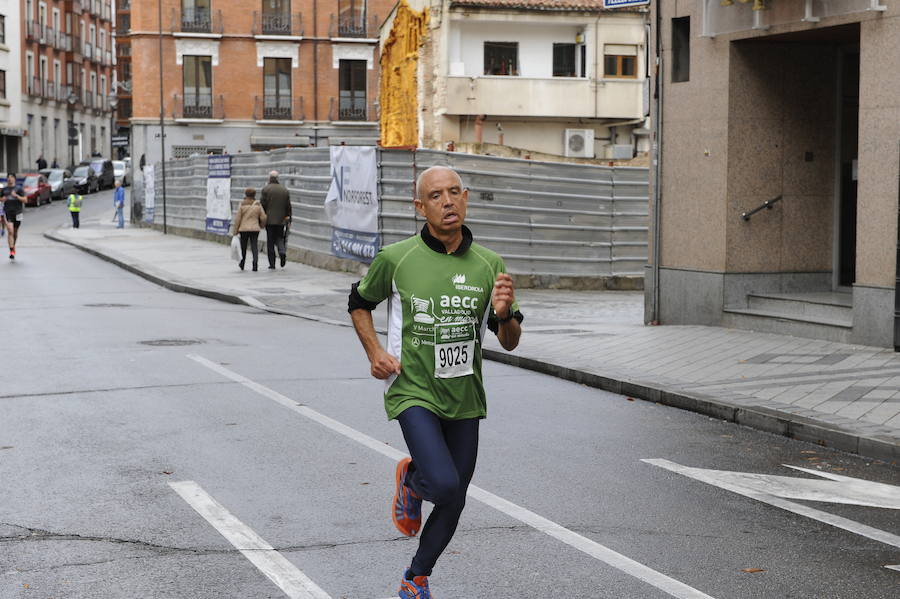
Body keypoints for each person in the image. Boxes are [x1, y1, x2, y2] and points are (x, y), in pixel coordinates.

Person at [347, 166, 523, 598]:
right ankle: (412, 480)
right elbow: (358, 301)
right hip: (414, 389)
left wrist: (503, 315)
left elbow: (511, 340)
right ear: (420, 206)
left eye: (454, 192)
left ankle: (415, 578)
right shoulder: (397, 258)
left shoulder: (489, 264)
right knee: (442, 484)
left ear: (466, 198)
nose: (447, 201)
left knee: (455, 497)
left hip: (465, 394)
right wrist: (375, 354)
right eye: (436, 195)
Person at [260, 170, 292, 269]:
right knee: (279, 238)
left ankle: (272, 264)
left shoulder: (265, 189)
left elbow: (262, 205)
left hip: (269, 220)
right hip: (281, 220)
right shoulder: (284, 190)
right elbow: (288, 206)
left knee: (270, 241)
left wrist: (261, 218)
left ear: (269, 178)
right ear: (278, 178)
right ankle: (282, 252)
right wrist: (289, 218)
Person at [229, 187, 267, 271]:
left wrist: (235, 231)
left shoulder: (242, 204)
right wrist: (261, 225)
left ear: (246, 194)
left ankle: (242, 263)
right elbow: (264, 217)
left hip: (244, 229)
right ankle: (255, 264)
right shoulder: (258, 204)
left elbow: (238, 219)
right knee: (254, 246)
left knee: (243, 247)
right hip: (255, 229)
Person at [2, 174, 26, 260]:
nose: (10, 180)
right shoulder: (4, 190)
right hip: (8, 212)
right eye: (8, 178)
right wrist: (2, 199)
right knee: (10, 231)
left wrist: (17, 196)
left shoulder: (19, 189)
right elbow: (0, 198)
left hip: (18, 212)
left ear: (14, 179)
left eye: (11, 178)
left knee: (15, 232)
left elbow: (25, 200)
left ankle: (13, 245)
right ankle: (11, 251)